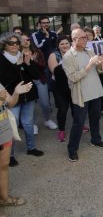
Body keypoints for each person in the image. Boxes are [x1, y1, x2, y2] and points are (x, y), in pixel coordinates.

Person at [63, 28, 103, 162]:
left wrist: (100, 63)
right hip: (81, 95)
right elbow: (73, 77)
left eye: (86, 37)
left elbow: (99, 70)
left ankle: (95, 139)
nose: (86, 40)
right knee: (78, 123)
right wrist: (89, 65)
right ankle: (72, 149)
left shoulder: (89, 51)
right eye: (83, 38)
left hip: (94, 92)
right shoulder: (68, 57)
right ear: (74, 39)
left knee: (96, 117)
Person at [0, 32, 44, 168]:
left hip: (29, 96)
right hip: (12, 98)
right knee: (13, 125)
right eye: (11, 43)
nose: (15, 45)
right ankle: (10, 155)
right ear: (4, 45)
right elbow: (6, 81)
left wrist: (28, 63)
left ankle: (31, 148)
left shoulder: (24, 55)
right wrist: (18, 66)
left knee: (28, 123)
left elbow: (37, 76)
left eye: (17, 43)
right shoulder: (1, 59)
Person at [0, 81, 32, 208]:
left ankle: (4, 198)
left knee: (3, 166)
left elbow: (10, 104)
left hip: (3, 130)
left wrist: (16, 93)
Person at [21, 32, 58, 130]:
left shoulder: (37, 51)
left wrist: (32, 62)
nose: (26, 41)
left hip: (39, 80)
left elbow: (42, 66)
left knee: (45, 103)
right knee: (31, 104)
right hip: (27, 83)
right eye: (23, 40)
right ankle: (33, 124)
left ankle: (47, 119)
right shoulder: (18, 54)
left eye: (27, 39)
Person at [48, 35, 73, 142]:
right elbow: (56, 72)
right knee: (63, 109)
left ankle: (79, 125)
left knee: (76, 107)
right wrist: (66, 60)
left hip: (73, 84)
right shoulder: (54, 55)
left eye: (67, 43)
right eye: (62, 44)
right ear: (58, 46)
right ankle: (61, 130)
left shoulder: (74, 52)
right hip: (59, 87)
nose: (65, 45)